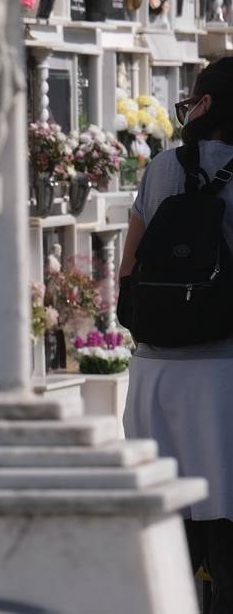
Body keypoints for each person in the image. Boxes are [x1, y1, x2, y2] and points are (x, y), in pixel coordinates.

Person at [121, 57, 233, 613]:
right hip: (225, 376)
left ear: (206, 104)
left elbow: (128, 266)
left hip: (155, 376)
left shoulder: (161, 168)